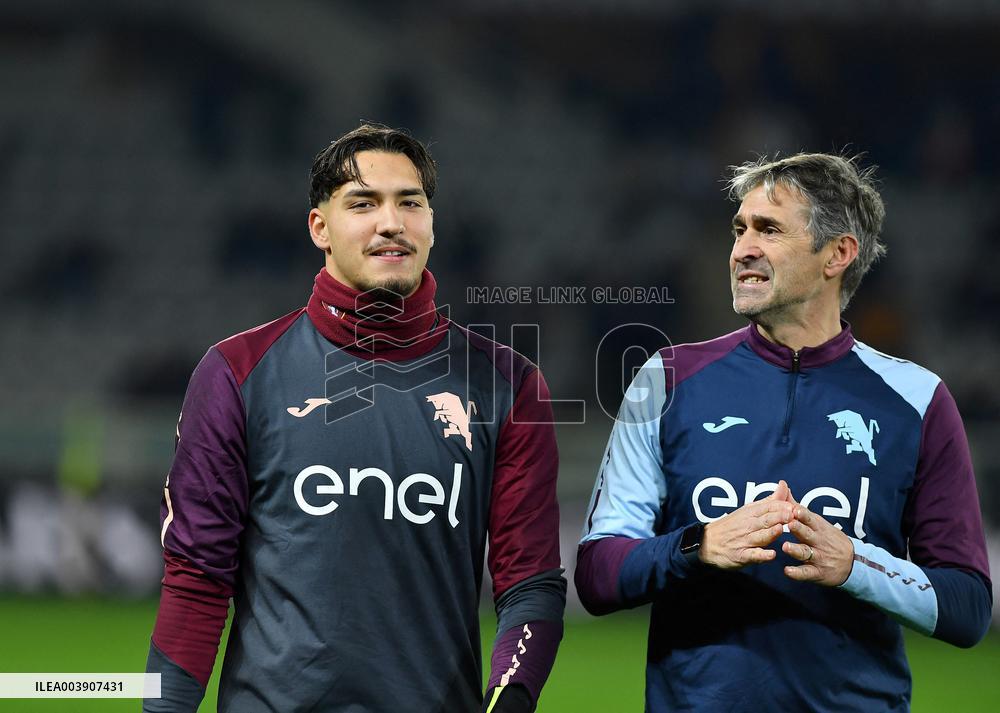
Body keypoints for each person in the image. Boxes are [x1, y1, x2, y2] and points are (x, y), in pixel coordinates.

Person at [144, 124, 565, 712]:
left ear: (431, 225)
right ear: (320, 227)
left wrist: (511, 701)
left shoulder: (509, 384)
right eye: (362, 203)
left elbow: (530, 587)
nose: (390, 221)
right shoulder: (236, 372)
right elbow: (198, 578)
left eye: (409, 203)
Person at [576, 152, 993, 711]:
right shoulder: (666, 379)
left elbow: (967, 607)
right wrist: (697, 545)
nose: (742, 248)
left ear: (838, 254)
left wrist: (855, 565)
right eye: (739, 229)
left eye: (768, 230)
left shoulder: (918, 401)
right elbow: (597, 572)